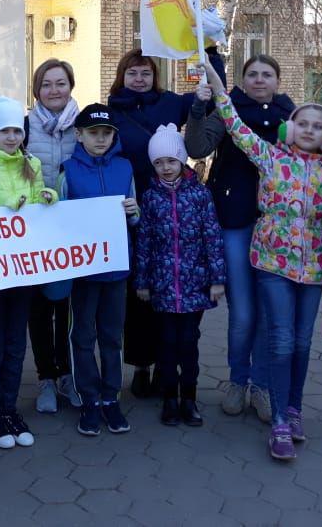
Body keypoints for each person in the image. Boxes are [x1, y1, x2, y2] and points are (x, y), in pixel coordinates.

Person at [204, 60, 322, 462]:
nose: (310, 130)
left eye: (318, 126)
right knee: (280, 338)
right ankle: (279, 419)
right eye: (303, 124)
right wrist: (217, 85)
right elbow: (234, 126)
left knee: (301, 342)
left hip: (314, 271)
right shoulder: (271, 158)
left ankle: (293, 410)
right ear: (290, 129)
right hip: (272, 265)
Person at [106, 47, 223, 400]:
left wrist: (212, 54)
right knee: (139, 294)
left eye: (145, 73)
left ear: (155, 76)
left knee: (169, 293)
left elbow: (211, 95)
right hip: (130, 210)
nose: (139, 79)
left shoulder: (171, 103)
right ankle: (141, 365)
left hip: (173, 207)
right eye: (132, 73)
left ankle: (165, 367)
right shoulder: (112, 110)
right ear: (122, 76)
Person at [185, 54, 294, 423]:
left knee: (266, 313)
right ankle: (237, 381)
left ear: (277, 81)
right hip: (234, 220)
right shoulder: (226, 109)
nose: (259, 80)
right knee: (244, 313)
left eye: (267, 74)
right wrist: (197, 109)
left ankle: (261, 385)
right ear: (243, 80)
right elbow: (197, 149)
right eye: (253, 74)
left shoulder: (290, 115)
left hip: (276, 228)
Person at [0, 96, 57, 449]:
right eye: (5, 131)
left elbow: (37, 197)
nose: (13, 137)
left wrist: (47, 196)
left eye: (17, 130)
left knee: (16, 343)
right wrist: (3, 210)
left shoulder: (30, 162)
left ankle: (10, 408)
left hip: (22, 270)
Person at [135, 124, 226, 428]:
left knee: (188, 343)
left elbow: (212, 238)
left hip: (194, 286)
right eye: (159, 162)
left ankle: (189, 398)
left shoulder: (200, 195)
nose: (166, 167)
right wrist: (143, 282)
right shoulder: (151, 197)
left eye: (171, 161)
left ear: (182, 160)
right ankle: (169, 399)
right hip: (162, 286)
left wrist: (217, 279)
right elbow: (144, 242)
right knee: (166, 344)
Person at [59, 104, 139, 435]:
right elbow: (59, 218)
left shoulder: (125, 167)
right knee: (82, 335)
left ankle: (111, 398)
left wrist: (133, 212)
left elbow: (134, 212)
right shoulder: (68, 170)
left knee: (111, 335)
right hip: (83, 272)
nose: (101, 139)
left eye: (107, 133)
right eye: (93, 133)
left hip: (117, 269)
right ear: (79, 135)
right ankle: (89, 399)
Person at [24, 59, 81, 414]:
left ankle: (67, 374)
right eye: (46, 84)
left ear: (70, 86)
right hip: (33, 230)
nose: (54, 90)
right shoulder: (23, 126)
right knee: (40, 308)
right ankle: (46, 376)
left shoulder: (83, 125)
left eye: (60, 83)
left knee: (68, 306)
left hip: (72, 230)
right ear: (37, 90)